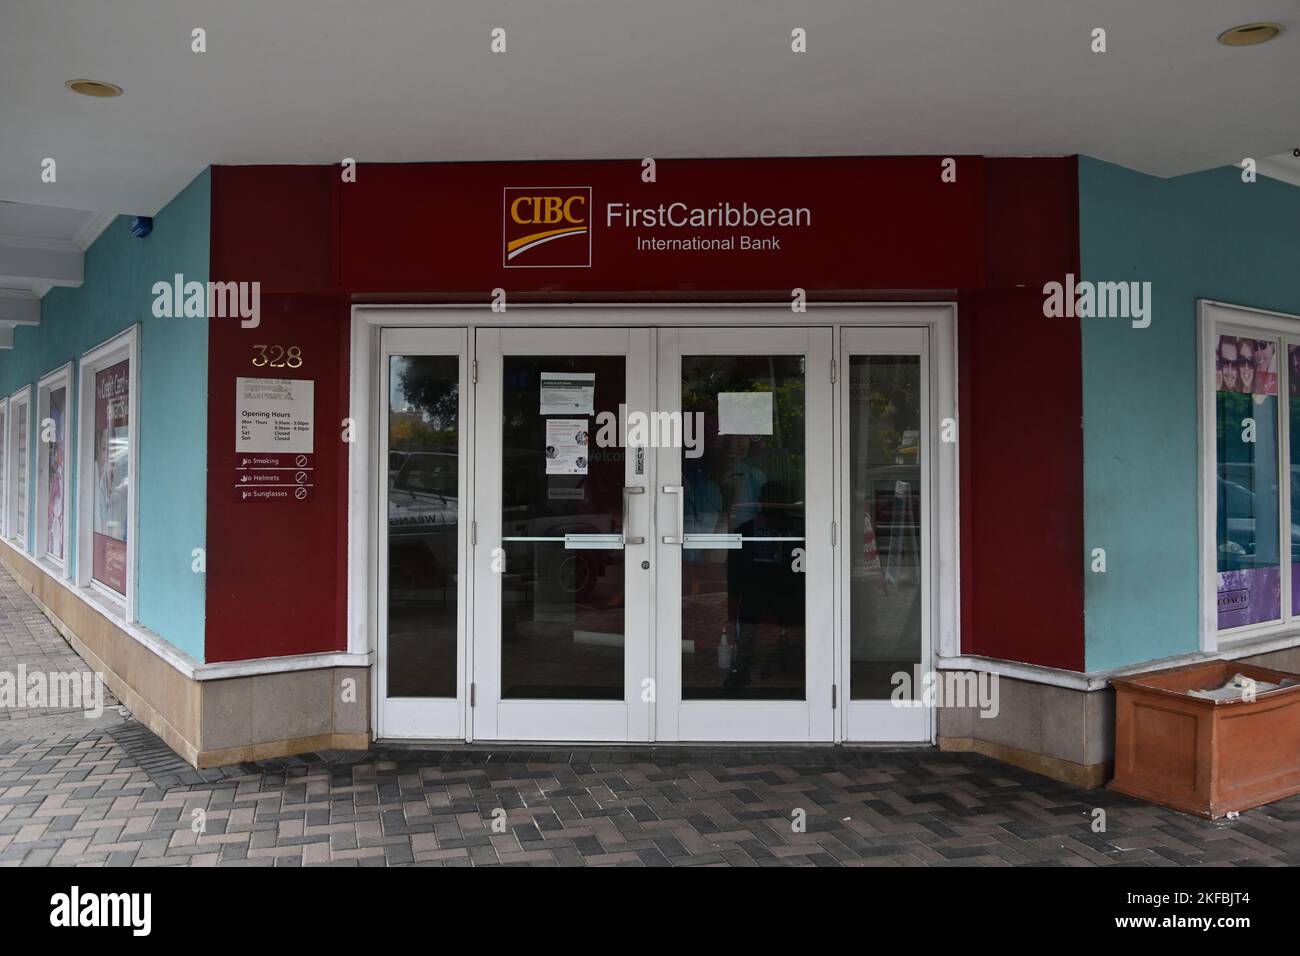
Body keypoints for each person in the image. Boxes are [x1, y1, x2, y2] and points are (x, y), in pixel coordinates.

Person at [724, 481, 804, 689]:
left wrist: (735, 591)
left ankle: (741, 670)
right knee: (751, 614)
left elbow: (733, 573)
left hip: (780, 592)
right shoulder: (797, 529)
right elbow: (734, 569)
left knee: (750, 616)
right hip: (773, 592)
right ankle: (743, 669)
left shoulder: (795, 530)